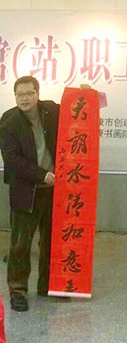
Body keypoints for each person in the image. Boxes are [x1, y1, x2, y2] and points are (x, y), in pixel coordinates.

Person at [0, 76, 59, 312]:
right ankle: (17, 290)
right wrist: (41, 175)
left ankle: (47, 285)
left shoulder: (51, 110)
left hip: (55, 190)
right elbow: (12, 159)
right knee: (20, 245)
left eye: (29, 93)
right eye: (19, 94)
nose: (24, 98)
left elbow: (80, 113)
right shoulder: (9, 121)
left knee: (51, 241)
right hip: (26, 190)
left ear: (37, 93)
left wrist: (86, 94)